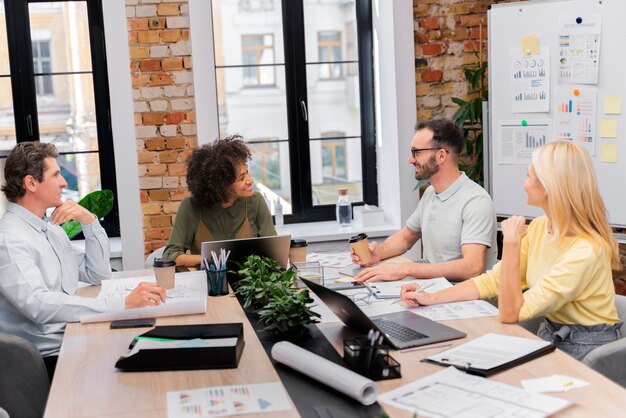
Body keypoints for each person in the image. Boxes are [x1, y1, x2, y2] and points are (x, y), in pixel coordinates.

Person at [401, 141, 622, 360]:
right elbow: (492, 282)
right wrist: (431, 297)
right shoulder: (540, 227)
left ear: (548, 187)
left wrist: (512, 244)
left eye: (529, 176)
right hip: (551, 334)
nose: (524, 183)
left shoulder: (587, 250)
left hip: (591, 352)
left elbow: (510, 314)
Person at [0, 142, 165, 378]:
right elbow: (39, 306)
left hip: (72, 337)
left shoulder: (51, 230)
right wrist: (121, 304)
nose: (64, 182)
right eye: (56, 175)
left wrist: (89, 221)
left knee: (149, 343)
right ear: (31, 183)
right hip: (47, 360)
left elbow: (97, 274)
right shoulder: (9, 240)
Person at [352, 119, 497, 283]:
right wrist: (378, 252)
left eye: (417, 152)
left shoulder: (476, 201)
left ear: (441, 155)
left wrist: (406, 268)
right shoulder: (430, 194)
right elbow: (406, 237)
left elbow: (472, 267)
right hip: (434, 290)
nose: (411, 159)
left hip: (465, 299)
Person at [163, 135, 276, 268]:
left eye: (247, 173)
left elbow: (274, 251)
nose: (250, 180)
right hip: (208, 284)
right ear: (221, 185)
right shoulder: (190, 207)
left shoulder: (256, 201)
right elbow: (170, 256)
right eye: (241, 178)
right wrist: (210, 258)